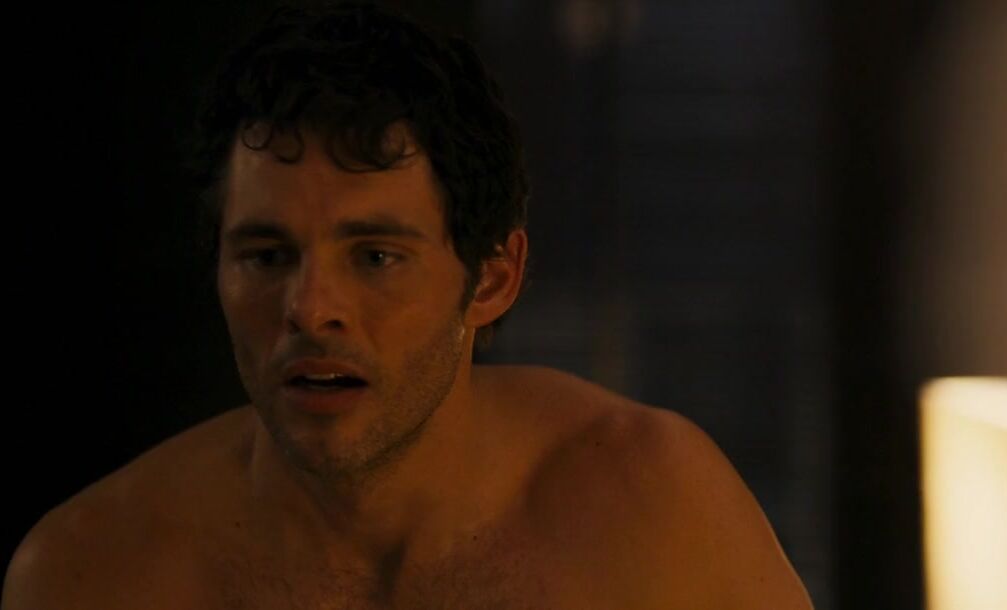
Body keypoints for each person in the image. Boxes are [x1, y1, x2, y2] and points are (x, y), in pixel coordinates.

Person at [2, 4, 813, 608]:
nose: (310, 309)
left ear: (491, 279)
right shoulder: (95, 571)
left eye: (376, 257)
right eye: (267, 256)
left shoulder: (650, 510)